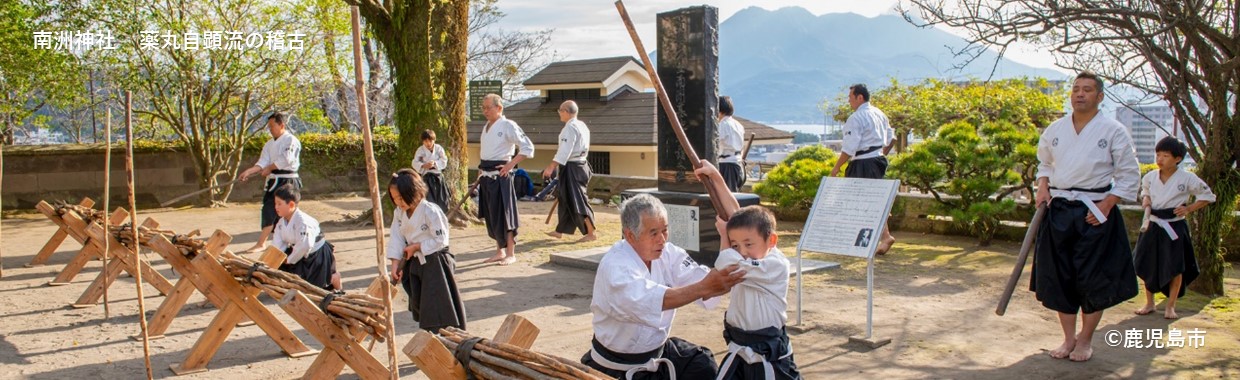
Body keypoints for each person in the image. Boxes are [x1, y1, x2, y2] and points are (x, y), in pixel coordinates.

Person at [581, 170, 746, 379]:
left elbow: (706, 285)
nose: (662, 239)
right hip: (615, 366)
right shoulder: (616, 266)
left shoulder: (668, 253)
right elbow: (656, 300)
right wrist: (705, 286)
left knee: (702, 366)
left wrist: (725, 237)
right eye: (653, 233)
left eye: (665, 230)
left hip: (657, 353)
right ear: (630, 235)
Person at [1031, 71, 1141, 362]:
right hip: (1059, 208)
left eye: (1087, 90)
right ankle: (1068, 339)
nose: (1080, 94)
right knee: (1060, 276)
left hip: (1095, 209)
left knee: (1093, 278)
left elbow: (1129, 174)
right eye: (1076, 89)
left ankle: (1085, 340)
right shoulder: (1055, 129)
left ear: (1099, 97)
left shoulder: (1114, 130)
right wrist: (1042, 187)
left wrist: (1108, 204)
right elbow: (1044, 164)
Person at [709, 194, 800, 379]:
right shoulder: (746, 258)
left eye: (748, 244)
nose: (742, 252)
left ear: (771, 241)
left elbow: (725, 264)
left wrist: (724, 237)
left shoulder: (773, 265)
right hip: (739, 348)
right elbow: (734, 215)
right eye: (735, 245)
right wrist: (715, 177)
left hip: (768, 352)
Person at [1134, 137, 1214, 320]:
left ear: (1177, 159)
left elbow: (1208, 196)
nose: (1160, 159)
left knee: (1175, 266)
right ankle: (1149, 302)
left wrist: (1189, 208)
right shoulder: (1150, 177)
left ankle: (1171, 306)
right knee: (1148, 262)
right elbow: (1144, 190)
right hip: (1153, 223)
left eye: (1165, 155)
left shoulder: (1187, 178)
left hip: (1174, 225)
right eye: (1158, 155)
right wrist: (1145, 198)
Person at [386, 169, 467, 333]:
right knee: (421, 304)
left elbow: (441, 240)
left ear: (413, 192)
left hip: (436, 263)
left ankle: (449, 337)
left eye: (401, 198)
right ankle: (431, 336)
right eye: (395, 199)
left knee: (438, 304)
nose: (398, 203)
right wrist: (395, 264)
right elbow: (396, 237)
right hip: (414, 262)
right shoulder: (399, 213)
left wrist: (417, 246)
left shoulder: (431, 210)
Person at [830, 84, 897, 255]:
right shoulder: (879, 113)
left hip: (864, 162)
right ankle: (880, 237)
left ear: (860, 97)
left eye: (850, 97)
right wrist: (880, 154)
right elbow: (892, 138)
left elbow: (849, 148)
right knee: (872, 200)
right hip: (877, 160)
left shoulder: (857, 117)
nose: (849, 101)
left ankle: (874, 238)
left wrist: (837, 167)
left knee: (862, 202)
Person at [477, 93, 534, 265]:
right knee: (492, 214)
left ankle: (511, 252)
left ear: (499, 108)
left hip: (501, 176)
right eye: (483, 108)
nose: (485, 111)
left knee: (505, 214)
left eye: (489, 107)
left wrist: (510, 165)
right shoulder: (486, 126)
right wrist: (480, 174)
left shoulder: (508, 125)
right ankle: (499, 251)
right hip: (486, 176)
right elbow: (485, 155)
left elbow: (527, 147)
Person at [240, 112, 302, 253]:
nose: (270, 129)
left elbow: (286, 160)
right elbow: (263, 162)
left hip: (287, 180)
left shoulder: (290, 140)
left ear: (281, 125)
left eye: (272, 126)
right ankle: (267, 243)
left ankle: (266, 243)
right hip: (274, 180)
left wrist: (269, 168)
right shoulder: (269, 144)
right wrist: (249, 171)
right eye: (268, 126)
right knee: (269, 210)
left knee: (284, 211)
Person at [543, 100, 597, 242]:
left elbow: (564, 151)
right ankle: (560, 230)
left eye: (560, 111)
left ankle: (591, 233)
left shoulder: (570, 127)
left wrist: (551, 167)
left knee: (578, 200)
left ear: (566, 111)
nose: (559, 113)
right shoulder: (582, 125)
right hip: (579, 165)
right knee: (564, 198)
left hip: (573, 167)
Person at [270, 184, 341, 292]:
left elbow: (305, 245)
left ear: (291, 204)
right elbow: (277, 244)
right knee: (290, 276)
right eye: (275, 204)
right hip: (298, 252)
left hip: (317, 253)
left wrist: (289, 260)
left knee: (320, 287)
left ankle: (336, 282)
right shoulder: (280, 223)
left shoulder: (303, 221)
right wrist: (275, 259)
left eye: (279, 204)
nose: (276, 207)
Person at [414, 129, 451, 213]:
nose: (428, 143)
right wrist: (423, 165)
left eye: (430, 141)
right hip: (426, 178)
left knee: (442, 200)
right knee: (428, 200)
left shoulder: (439, 148)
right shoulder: (420, 150)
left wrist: (435, 163)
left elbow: (444, 160)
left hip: (438, 177)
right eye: (426, 141)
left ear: (434, 140)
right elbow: (415, 162)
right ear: (423, 141)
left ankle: (441, 216)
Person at [717, 96, 746, 192]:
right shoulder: (738, 124)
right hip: (737, 163)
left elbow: (714, 143)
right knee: (733, 194)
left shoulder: (723, 125)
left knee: (726, 195)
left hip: (727, 164)